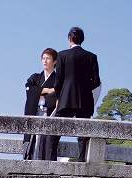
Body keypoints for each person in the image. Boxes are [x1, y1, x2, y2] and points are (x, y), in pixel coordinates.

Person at [50, 26, 102, 162]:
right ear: (82, 40)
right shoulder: (92, 57)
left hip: (66, 98)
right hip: (85, 99)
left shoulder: (62, 55)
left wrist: (59, 95)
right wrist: (84, 87)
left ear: (69, 38)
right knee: (83, 131)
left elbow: (58, 81)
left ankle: (51, 158)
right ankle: (81, 159)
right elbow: (96, 81)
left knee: (57, 129)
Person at [23, 48, 59, 160]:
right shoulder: (35, 77)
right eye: (43, 58)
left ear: (54, 61)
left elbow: (58, 94)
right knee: (32, 139)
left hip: (49, 113)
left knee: (46, 141)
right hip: (34, 112)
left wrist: (38, 91)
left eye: (48, 58)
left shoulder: (58, 79)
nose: (45, 61)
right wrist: (48, 90)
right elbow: (28, 89)